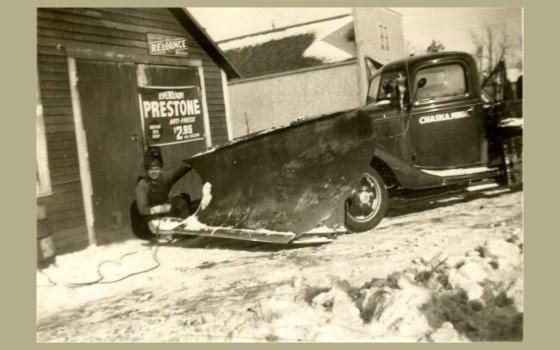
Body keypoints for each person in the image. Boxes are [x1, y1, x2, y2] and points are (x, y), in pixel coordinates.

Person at [131, 147, 192, 239]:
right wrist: (158, 209)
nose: (154, 172)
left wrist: (190, 164)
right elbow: (143, 209)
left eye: (156, 169)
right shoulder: (142, 184)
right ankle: (159, 233)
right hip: (149, 216)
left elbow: (179, 172)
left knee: (183, 199)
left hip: (165, 212)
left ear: (160, 170)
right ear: (147, 171)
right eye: (151, 170)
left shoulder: (164, 179)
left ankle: (180, 229)